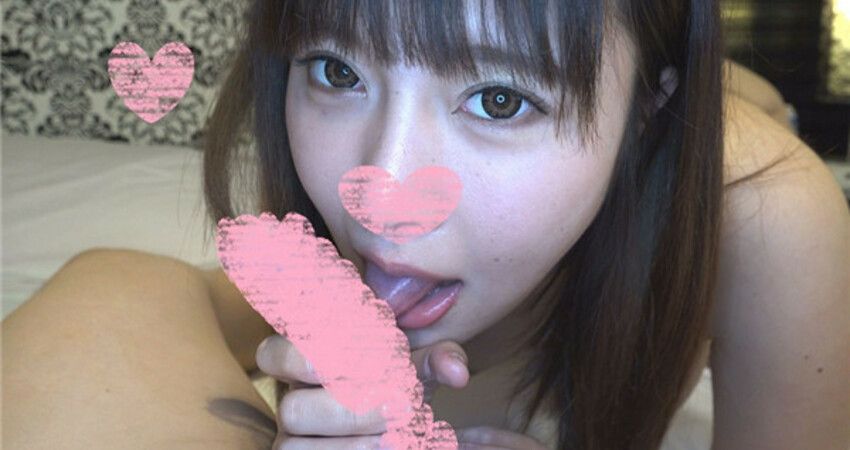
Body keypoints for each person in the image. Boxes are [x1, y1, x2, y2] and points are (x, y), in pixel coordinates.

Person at [3, 1, 848, 449]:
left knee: (746, 102)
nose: (379, 190)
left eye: (501, 99)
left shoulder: (768, 212)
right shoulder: (301, 235)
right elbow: (164, 305)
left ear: (649, 107)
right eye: (336, 70)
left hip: (700, 124)